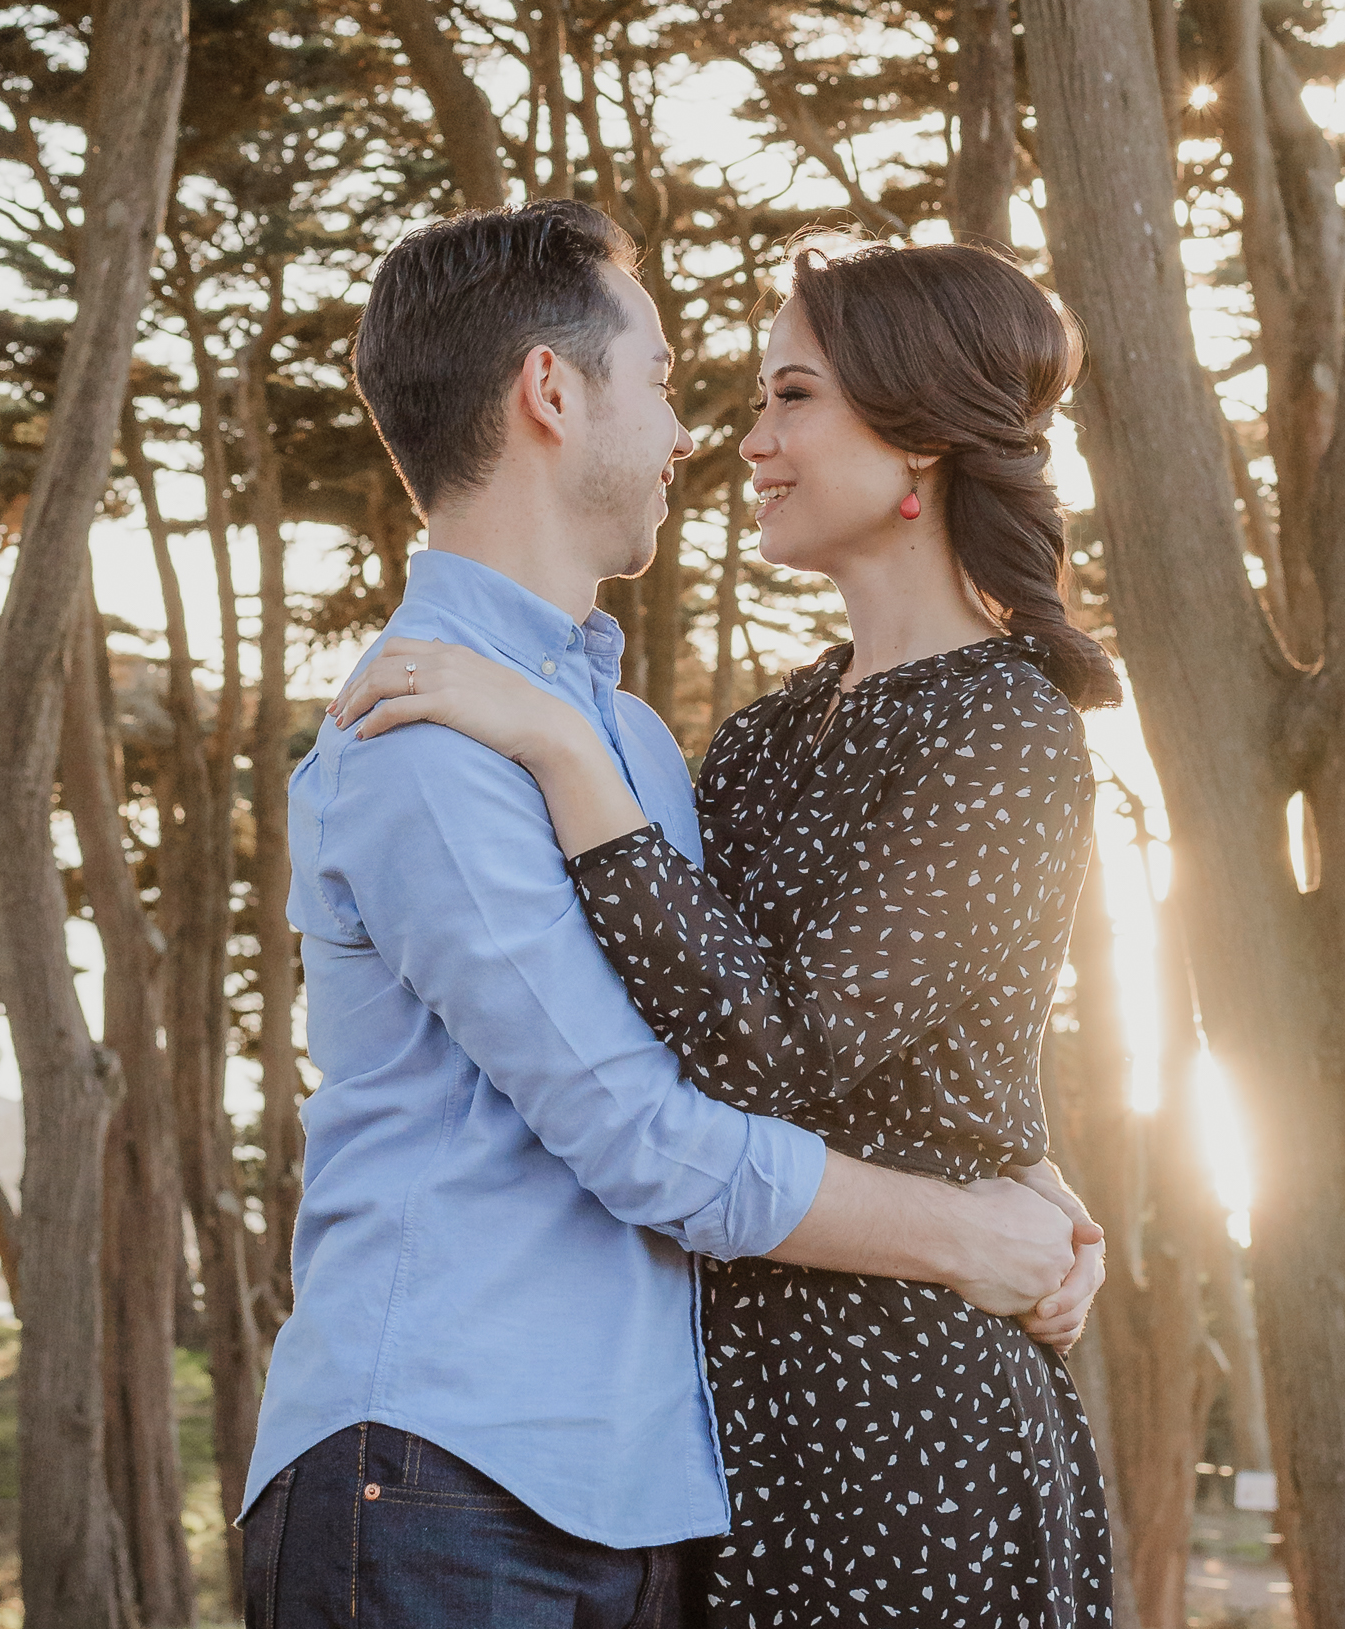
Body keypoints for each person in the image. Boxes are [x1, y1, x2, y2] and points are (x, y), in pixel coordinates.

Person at [241, 202, 1102, 1629]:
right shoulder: (429, 721)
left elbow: (784, 1012)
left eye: (786, 391)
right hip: (460, 1461)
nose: (712, 430)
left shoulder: (633, 740)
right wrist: (968, 1227)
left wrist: (1025, 1166)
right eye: (664, 377)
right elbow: (663, 1119)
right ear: (552, 392)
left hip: (693, 1476)